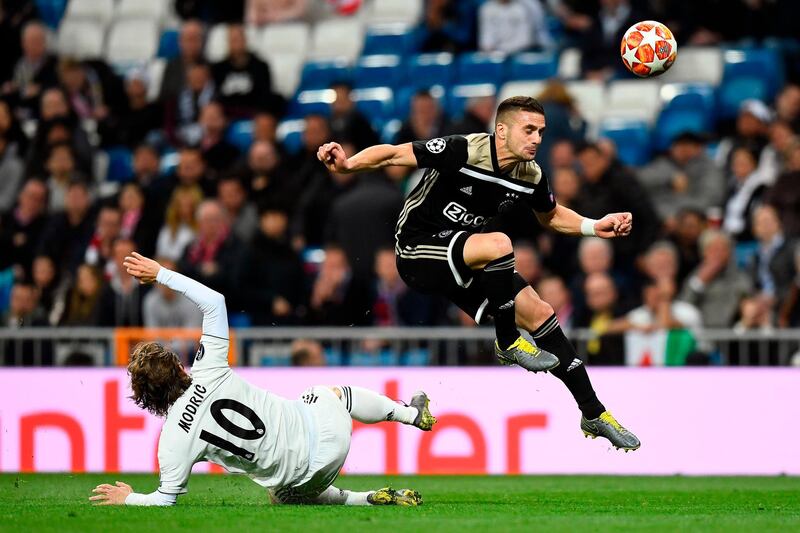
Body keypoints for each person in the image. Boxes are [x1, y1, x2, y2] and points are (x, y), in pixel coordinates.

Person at [318, 95, 640, 451]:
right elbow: (395, 154)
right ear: (501, 131)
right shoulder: (464, 150)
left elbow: (549, 216)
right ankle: (507, 342)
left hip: (464, 257)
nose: (536, 139)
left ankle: (593, 413)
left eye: (541, 132)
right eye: (528, 130)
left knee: (540, 311)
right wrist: (348, 166)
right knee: (500, 243)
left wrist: (596, 226)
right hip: (416, 249)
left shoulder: (531, 175)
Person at [89, 252, 434, 507]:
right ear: (181, 367)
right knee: (323, 393)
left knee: (281, 493)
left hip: (305, 477)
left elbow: (164, 500)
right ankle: (409, 415)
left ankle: (367, 499)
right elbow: (214, 303)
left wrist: (129, 498)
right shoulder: (208, 369)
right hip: (328, 435)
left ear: (148, 401)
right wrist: (162, 273)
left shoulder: (173, 438)